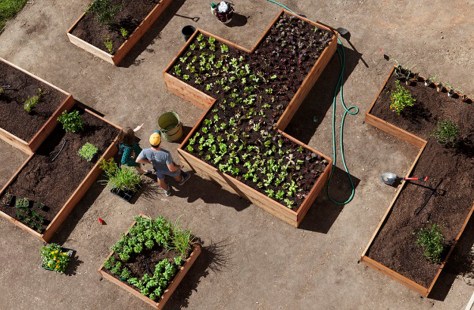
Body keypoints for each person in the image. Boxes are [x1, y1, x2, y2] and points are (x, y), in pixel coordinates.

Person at [136, 131, 190, 196]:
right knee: (176, 173)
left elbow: (138, 160)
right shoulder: (165, 154)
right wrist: (179, 167)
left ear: (150, 142)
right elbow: (171, 169)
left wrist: (148, 162)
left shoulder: (145, 151)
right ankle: (181, 181)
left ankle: (167, 190)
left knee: (160, 180)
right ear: (160, 142)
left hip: (158, 169)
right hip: (168, 170)